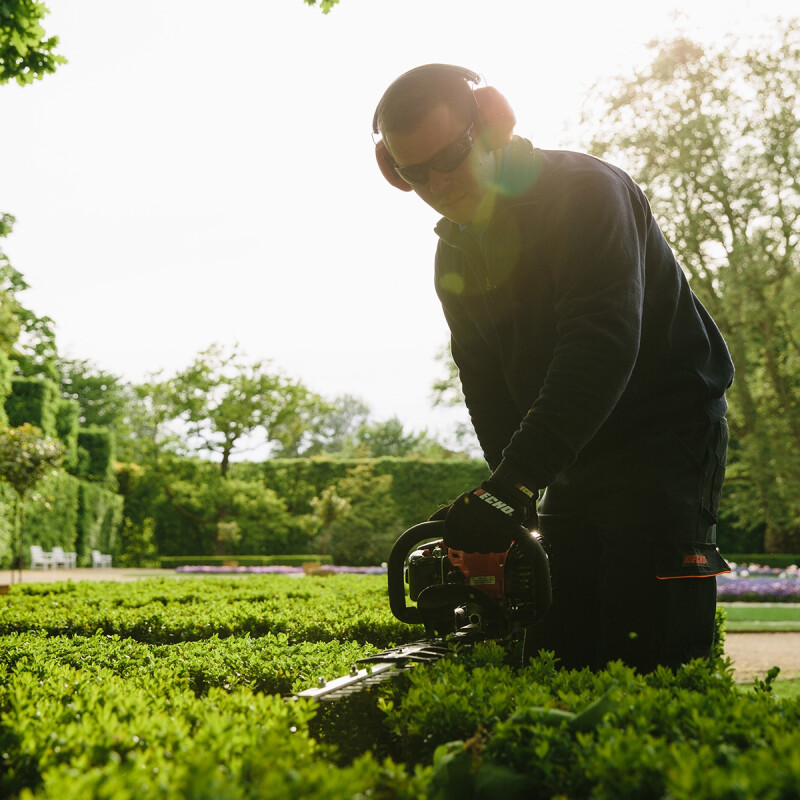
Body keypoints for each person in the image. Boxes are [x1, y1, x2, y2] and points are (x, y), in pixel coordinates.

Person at [372, 63, 735, 673]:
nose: (436, 181)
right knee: (560, 639)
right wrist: (507, 491)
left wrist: (515, 483)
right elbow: (484, 380)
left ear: (490, 126)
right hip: (573, 454)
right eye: (413, 172)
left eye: (449, 157)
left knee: (646, 644)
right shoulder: (454, 248)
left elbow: (601, 344)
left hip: (663, 438)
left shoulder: (584, 193)